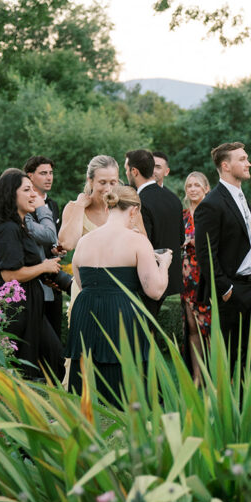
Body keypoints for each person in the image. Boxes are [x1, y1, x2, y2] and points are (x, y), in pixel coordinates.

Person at [66, 186, 171, 406]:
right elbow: (155, 290)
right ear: (134, 211)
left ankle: (89, 408)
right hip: (121, 309)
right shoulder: (137, 241)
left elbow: (80, 282)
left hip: (85, 309)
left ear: (107, 206)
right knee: (125, 363)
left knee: (87, 364)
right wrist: (165, 265)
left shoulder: (84, 241)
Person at [0, 170, 64, 379]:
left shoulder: (20, 225)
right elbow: (9, 275)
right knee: (23, 363)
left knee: (53, 354)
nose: (33, 195)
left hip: (30, 303)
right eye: (27, 190)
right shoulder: (8, 229)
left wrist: (42, 274)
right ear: (11, 194)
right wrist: (44, 267)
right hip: (17, 307)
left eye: (33, 190)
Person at [194, 142, 251, 360]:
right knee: (231, 358)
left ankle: (249, 396)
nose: (248, 163)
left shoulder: (242, 197)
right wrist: (225, 288)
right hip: (233, 292)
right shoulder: (212, 203)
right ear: (225, 165)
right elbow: (205, 253)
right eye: (242, 159)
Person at [125, 148, 184, 318]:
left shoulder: (139, 202)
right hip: (170, 279)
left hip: (147, 281)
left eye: (127, 170)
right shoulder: (173, 198)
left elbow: (142, 244)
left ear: (134, 171)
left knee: (139, 335)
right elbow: (180, 238)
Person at [59, 155, 121, 314]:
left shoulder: (125, 210)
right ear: (90, 181)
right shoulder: (75, 207)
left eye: (113, 182)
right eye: (102, 182)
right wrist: (80, 206)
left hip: (118, 290)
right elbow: (67, 244)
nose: (108, 188)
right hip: (85, 289)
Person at [25, 155, 70, 337]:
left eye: (51, 173)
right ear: (30, 176)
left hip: (53, 279)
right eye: (43, 173)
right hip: (31, 277)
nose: (49, 177)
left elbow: (53, 239)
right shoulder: (23, 204)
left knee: (54, 333)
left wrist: (58, 250)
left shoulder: (52, 205)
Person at [181, 171, 212, 383]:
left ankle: (214, 375)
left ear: (205, 189)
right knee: (191, 328)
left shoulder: (210, 213)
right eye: (190, 185)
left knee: (209, 326)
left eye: (197, 185)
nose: (193, 189)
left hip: (205, 275)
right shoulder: (181, 216)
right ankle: (197, 377)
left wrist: (197, 243)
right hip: (185, 276)